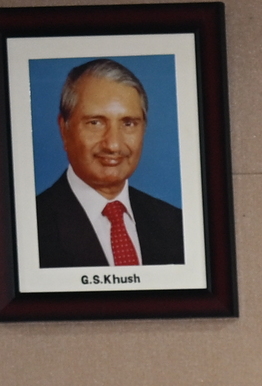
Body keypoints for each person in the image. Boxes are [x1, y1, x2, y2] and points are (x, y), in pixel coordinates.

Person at [34, 59, 185, 270]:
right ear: (64, 130)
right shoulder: (32, 228)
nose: (113, 145)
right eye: (95, 123)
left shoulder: (176, 225)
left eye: (128, 123)